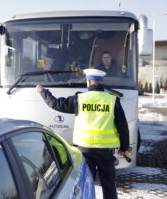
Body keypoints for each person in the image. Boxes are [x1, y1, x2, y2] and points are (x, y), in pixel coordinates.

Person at [36, 68, 130, 199]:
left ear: (89, 82)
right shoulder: (112, 100)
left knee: (85, 185)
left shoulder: (79, 99)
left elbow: (55, 104)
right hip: (105, 152)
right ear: (101, 82)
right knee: (109, 186)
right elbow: (123, 127)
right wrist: (124, 148)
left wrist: (43, 91)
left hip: (84, 151)